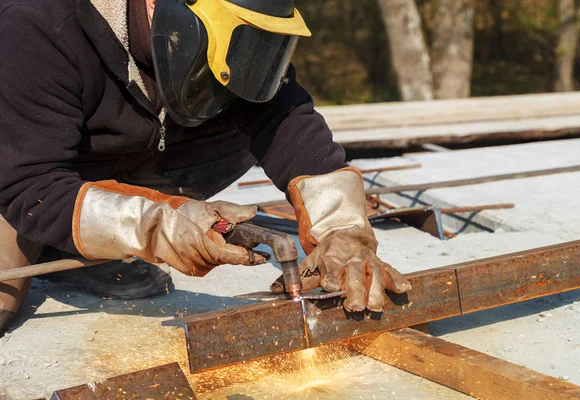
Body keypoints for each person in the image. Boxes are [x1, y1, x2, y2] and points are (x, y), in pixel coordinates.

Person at [0, 0, 411, 335]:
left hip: (121, 157)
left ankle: (98, 238)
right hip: (20, 170)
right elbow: (28, 184)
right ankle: (76, 236)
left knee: (253, 105)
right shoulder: (38, 26)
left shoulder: (237, 25)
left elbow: (286, 121)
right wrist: (159, 226)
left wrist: (342, 231)